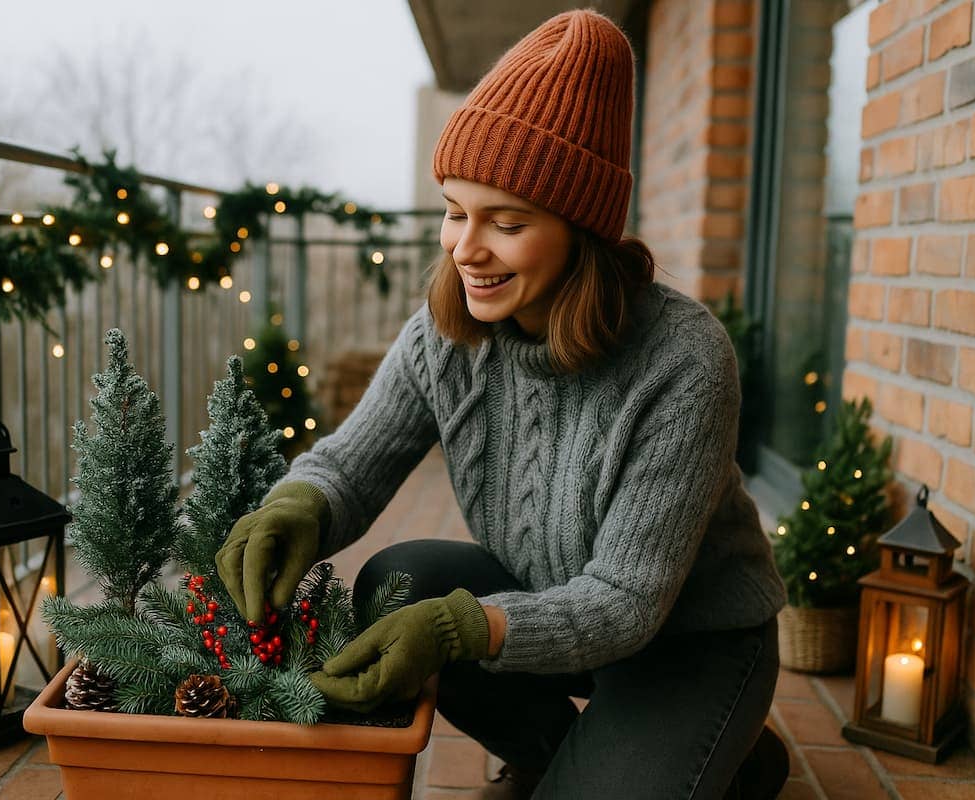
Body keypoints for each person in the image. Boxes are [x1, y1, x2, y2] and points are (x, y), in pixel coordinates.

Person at [217, 9, 790, 799]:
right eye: (456, 210)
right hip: (551, 602)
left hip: (690, 637)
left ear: (581, 229)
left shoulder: (684, 359)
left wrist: (465, 628)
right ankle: (623, 756)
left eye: (506, 222)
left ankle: (709, 744)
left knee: (451, 625)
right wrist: (299, 506)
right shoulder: (445, 333)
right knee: (402, 579)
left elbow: (625, 601)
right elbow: (350, 462)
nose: (465, 248)